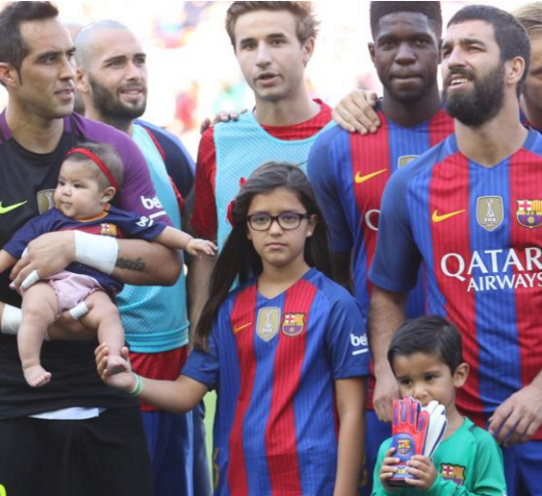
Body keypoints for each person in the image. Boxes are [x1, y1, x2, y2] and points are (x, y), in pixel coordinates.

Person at [0, 3, 179, 495]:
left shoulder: (113, 151)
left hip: (105, 389)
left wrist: (77, 244)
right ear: (7, 74)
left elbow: (166, 263)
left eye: (70, 55)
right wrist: (30, 323)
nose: (69, 72)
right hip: (7, 401)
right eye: (49, 59)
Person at [97, 162, 368, 496]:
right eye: (261, 219)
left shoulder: (336, 305)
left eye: (288, 217)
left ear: (310, 224)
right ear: (248, 230)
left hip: (314, 480)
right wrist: (132, 381)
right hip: (238, 479)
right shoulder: (228, 309)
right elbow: (186, 394)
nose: (275, 229)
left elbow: (352, 411)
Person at [369, 6, 542, 495]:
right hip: (453, 439)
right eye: (448, 49)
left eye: (472, 47)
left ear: (514, 67)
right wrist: (386, 371)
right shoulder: (410, 184)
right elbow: (387, 292)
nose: (453, 59)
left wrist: (540, 391)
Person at [305, 3, 452, 493]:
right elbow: (334, 271)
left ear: (441, 48)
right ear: (373, 52)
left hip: (468, 367)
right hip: (381, 375)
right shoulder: (334, 146)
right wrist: (371, 363)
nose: (405, 55)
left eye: (420, 42)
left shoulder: (475, 130)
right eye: (390, 43)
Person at [73, 20, 202, 495]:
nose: (133, 73)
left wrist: (197, 334)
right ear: (80, 77)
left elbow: (198, 243)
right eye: (115, 63)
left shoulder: (163, 145)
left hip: (177, 366)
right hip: (113, 366)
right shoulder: (69, 156)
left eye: (139, 60)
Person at [0, 143, 214, 387]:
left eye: (78, 186)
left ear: (105, 195)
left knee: (109, 314)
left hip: (90, 289)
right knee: (34, 311)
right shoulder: (50, 220)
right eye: (62, 183)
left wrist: (188, 242)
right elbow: (16, 245)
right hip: (50, 282)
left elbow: (157, 230)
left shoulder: (118, 219)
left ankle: (114, 356)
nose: (65, 191)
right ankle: (31, 364)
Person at [188, 0, 334, 361]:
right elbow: (206, 248)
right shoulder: (217, 140)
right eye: (249, 45)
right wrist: (198, 338)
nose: (262, 58)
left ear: (308, 48)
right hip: (240, 351)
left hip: (325, 349)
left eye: (277, 41)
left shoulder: (344, 135)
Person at [371, 316, 506, 495]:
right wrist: (388, 490)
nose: (417, 392)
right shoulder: (390, 449)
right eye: (406, 381)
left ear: (459, 375)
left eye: (429, 377)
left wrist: (437, 486)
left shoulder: (480, 443)